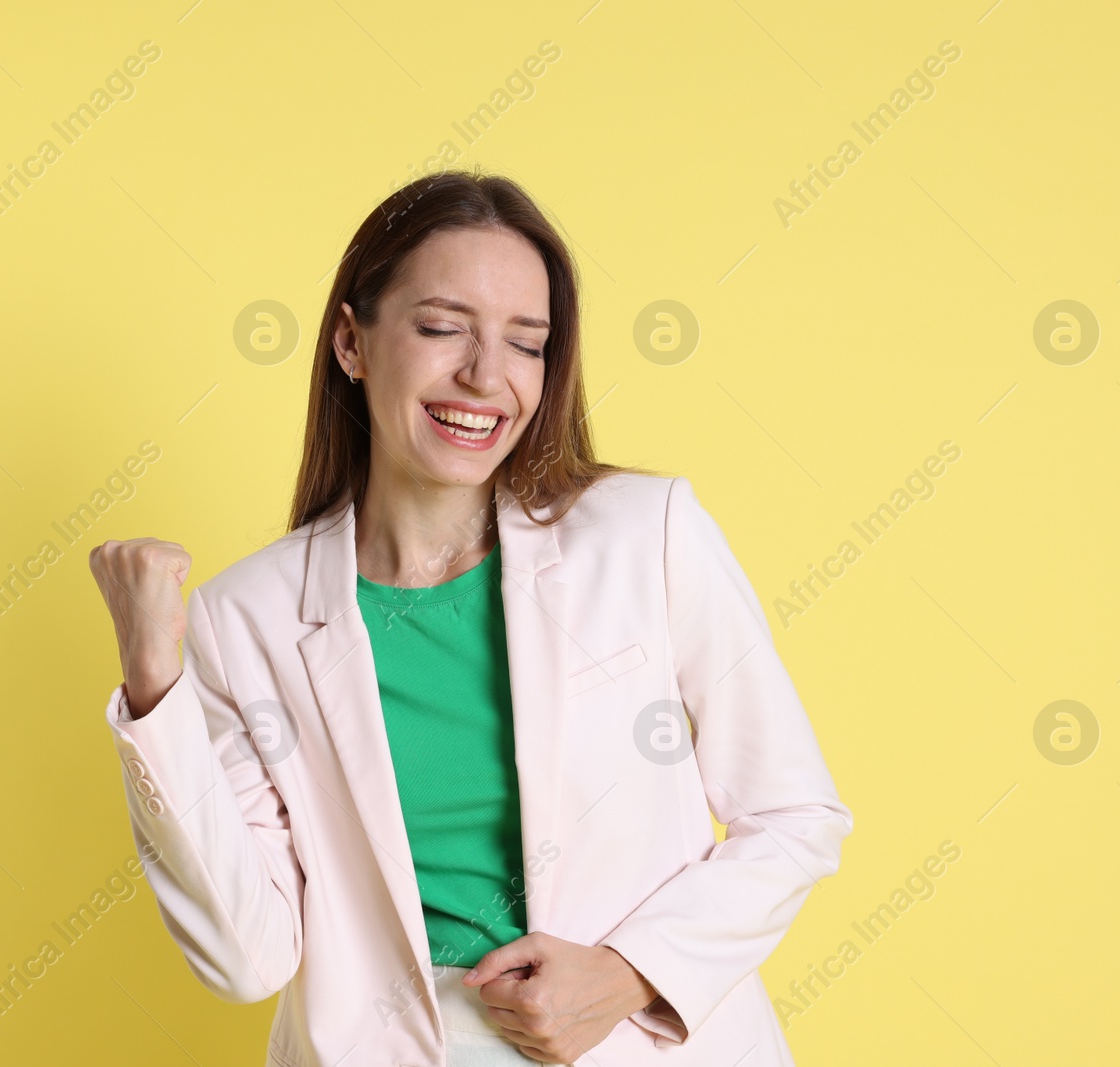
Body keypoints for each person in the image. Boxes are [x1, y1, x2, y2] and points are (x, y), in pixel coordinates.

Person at [88, 170, 852, 1067]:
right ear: (351, 342)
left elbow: (795, 813)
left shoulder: (649, 534)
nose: (486, 377)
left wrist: (628, 971)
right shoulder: (241, 619)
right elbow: (246, 955)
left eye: (525, 343)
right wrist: (154, 686)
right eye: (443, 327)